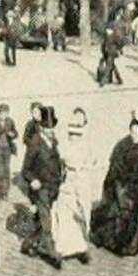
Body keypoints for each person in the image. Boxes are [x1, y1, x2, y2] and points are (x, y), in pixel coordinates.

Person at [89, 112, 138, 257]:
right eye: (132, 131)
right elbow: (115, 167)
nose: (134, 135)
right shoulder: (122, 145)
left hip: (136, 185)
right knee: (118, 208)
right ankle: (117, 241)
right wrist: (121, 184)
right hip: (120, 183)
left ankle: (132, 240)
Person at [20, 106, 65, 269]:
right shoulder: (35, 143)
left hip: (53, 186)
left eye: (53, 127)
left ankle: (28, 243)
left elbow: (56, 162)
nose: (51, 131)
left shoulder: (54, 141)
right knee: (47, 220)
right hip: (41, 188)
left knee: (40, 217)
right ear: (41, 127)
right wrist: (33, 180)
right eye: (47, 128)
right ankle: (52, 253)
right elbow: (25, 169)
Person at [51, 107, 93, 265]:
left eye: (77, 134)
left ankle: (84, 242)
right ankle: (68, 247)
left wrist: (86, 168)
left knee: (84, 209)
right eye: (72, 134)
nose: (74, 137)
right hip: (69, 179)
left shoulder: (86, 145)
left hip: (82, 178)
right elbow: (60, 164)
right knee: (67, 211)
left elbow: (92, 160)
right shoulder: (64, 147)